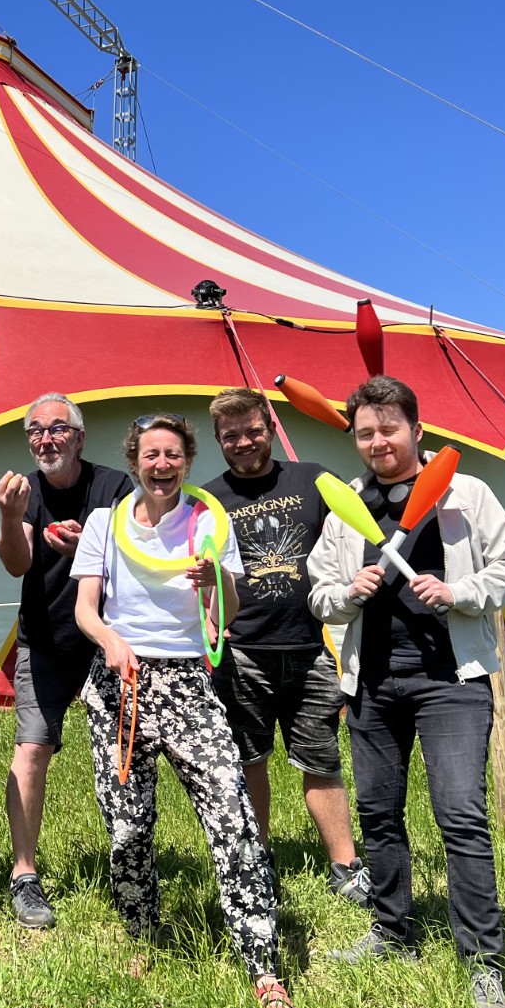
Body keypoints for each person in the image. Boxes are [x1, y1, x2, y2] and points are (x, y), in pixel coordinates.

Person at [307, 374, 505, 1008]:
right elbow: (319, 593)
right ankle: (391, 934)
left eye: (389, 429)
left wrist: (457, 592)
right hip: (372, 682)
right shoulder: (346, 503)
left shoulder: (468, 493)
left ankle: (484, 964)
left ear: (417, 429)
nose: (378, 442)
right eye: (365, 433)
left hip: (450, 680)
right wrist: (350, 591)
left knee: (460, 818)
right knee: (379, 815)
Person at [71, 414, 297, 1008]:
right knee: (127, 826)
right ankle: (142, 935)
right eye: (151, 454)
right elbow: (86, 610)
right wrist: (111, 643)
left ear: (186, 461)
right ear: (135, 460)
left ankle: (264, 967)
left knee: (232, 815)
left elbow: (230, 605)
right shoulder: (103, 523)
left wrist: (213, 577)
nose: (162, 464)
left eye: (173, 453)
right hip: (121, 683)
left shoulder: (207, 521)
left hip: (189, 682)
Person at [203, 387, 372, 906]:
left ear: (271, 430)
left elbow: (361, 525)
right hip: (242, 650)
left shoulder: (314, 478)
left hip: (313, 646)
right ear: (218, 442)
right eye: (231, 436)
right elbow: (197, 570)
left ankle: (345, 865)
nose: (244, 443)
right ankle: (257, 863)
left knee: (320, 759)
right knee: (249, 760)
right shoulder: (206, 499)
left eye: (253, 431)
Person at [0, 392, 130, 929]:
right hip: (45, 638)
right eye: (35, 430)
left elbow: (131, 560)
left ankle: (129, 863)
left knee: (126, 751)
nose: (45, 438)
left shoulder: (113, 485)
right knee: (32, 747)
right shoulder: (26, 491)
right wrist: (9, 518)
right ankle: (23, 874)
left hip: (108, 638)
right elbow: (15, 563)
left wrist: (85, 551)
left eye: (56, 428)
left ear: (78, 436)